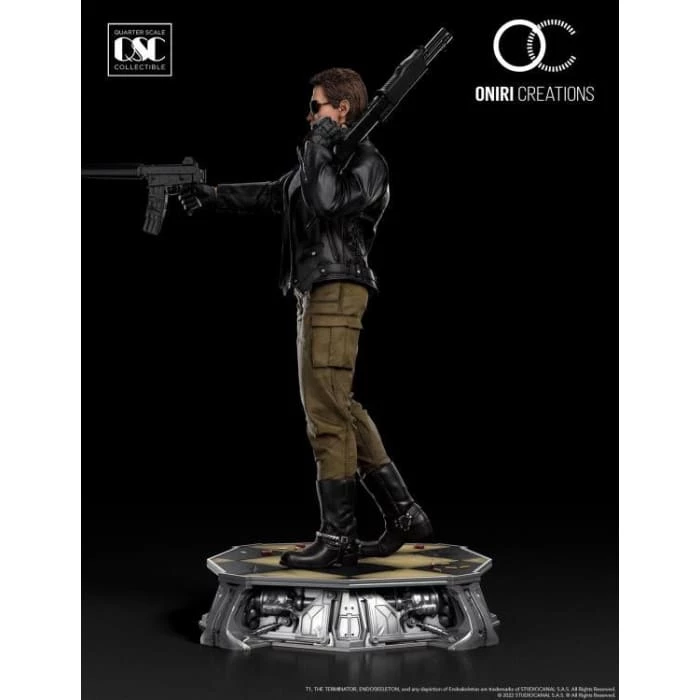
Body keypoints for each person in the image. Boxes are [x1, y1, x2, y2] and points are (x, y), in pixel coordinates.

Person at [178, 67, 432, 569]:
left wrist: (319, 144)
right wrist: (211, 195)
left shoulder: (365, 160)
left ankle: (338, 537)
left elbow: (327, 201)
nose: (309, 115)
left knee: (325, 414)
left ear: (342, 109)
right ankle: (404, 514)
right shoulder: (325, 160)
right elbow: (277, 193)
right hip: (316, 291)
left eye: (317, 107)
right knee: (339, 404)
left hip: (336, 290)